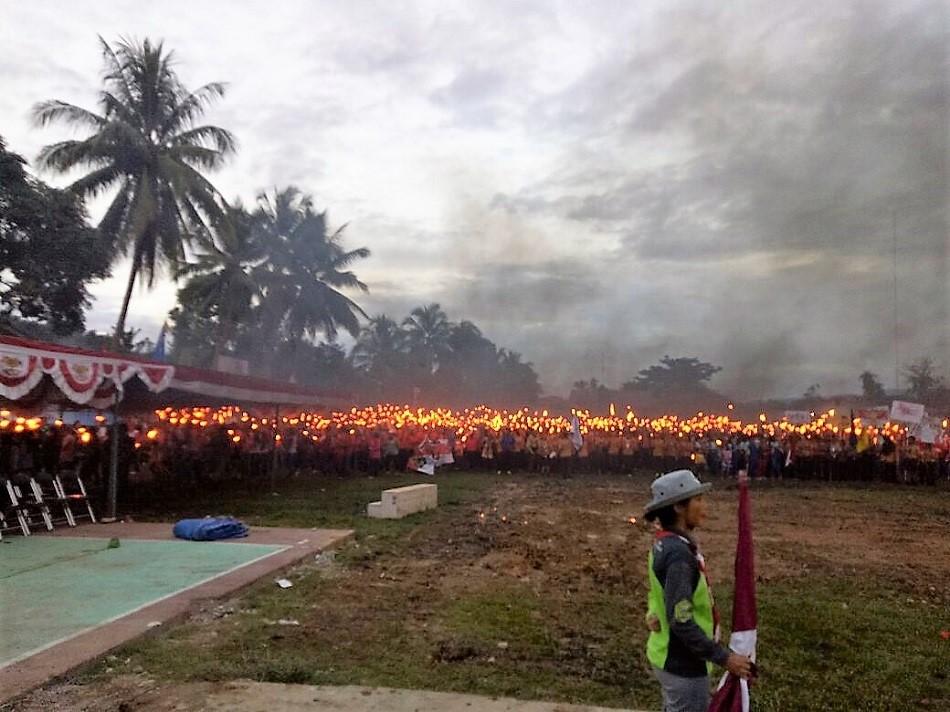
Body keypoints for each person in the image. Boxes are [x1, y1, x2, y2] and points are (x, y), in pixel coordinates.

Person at [644, 469, 752, 712]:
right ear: (678, 507)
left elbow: (657, 592)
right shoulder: (679, 556)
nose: (705, 507)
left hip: (668, 656)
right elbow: (681, 621)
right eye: (698, 500)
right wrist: (725, 658)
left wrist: (653, 613)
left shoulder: (665, 543)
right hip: (683, 665)